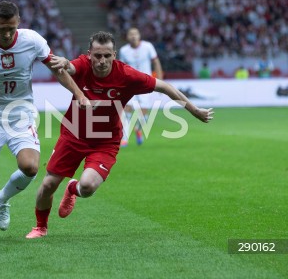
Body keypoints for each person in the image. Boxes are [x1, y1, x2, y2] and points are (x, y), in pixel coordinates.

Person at [25, 31, 214, 239]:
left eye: (107, 55)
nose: (102, 61)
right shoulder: (82, 64)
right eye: (97, 56)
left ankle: (72, 189)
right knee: (48, 184)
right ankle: (40, 227)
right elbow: (70, 67)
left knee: (87, 187)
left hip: (106, 140)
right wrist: (64, 63)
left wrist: (195, 111)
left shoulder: (127, 75)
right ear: (89, 55)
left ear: (114, 55)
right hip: (74, 134)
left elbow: (165, 87)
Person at [0, 1, 89, 231]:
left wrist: (79, 93)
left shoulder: (32, 40)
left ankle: (2, 199)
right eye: (2, 28)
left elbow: (57, 69)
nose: (6, 33)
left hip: (21, 113)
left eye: (11, 28)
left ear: (19, 23)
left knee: (30, 167)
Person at [118, 27, 163, 146]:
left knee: (143, 114)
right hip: (130, 84)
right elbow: (122, 68)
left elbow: (156, 62)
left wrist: (160, 80)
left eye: (135, 34)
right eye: (131, 34)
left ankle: (138, 129)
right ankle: (124, 138)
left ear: (139, 36)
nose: (133, 36)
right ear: (127, 37)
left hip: (145, 84)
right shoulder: (124, 50)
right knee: (126, 109)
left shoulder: (148, 46)